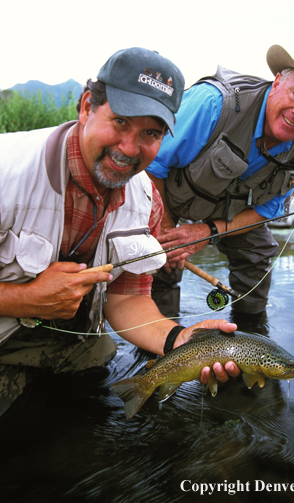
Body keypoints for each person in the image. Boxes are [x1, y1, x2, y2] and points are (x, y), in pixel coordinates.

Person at [0, 47, 239, 417]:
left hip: (71, 338)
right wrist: (24, 299)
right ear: (85, 108)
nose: (129, 148)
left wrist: (179, 340)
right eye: (121, 121)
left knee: (90, 386)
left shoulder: (146, 199)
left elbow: (126, 299)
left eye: (150, 133)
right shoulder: (6, 172)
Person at [147, 43, 294, 317]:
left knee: (257, 253)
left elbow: (267, 210)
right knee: (160, 259)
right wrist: (164, 230)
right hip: (165, 193)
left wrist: (207, 231)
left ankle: (251, 335)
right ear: (278, 81)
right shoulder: (214, 103)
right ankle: (160, 344)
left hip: (229, 211)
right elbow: (152, 164)